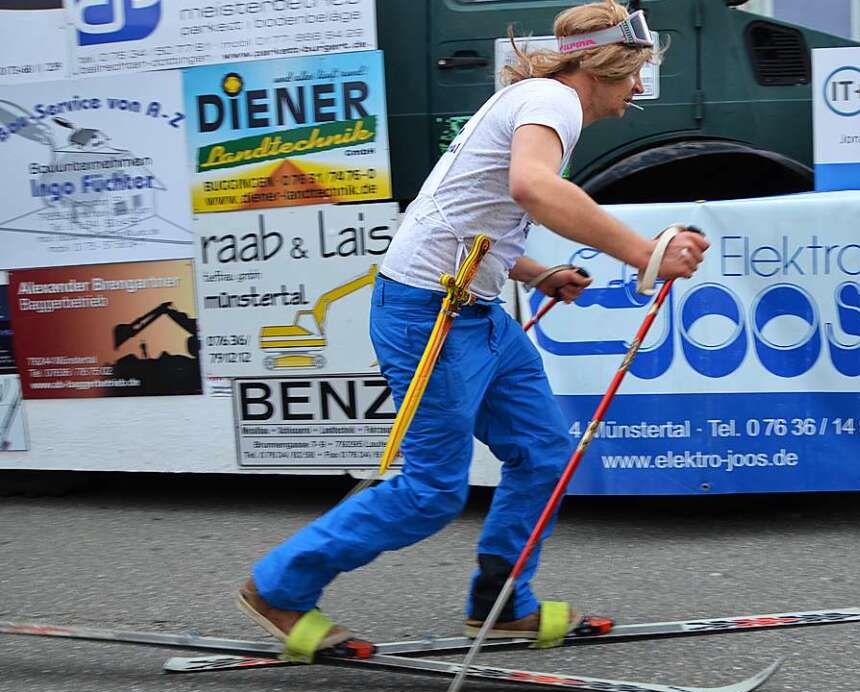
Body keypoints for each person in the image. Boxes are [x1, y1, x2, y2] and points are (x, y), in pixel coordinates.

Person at [238, 0, 709, 658]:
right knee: (431, 492)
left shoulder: (534, 103)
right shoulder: (554, 101)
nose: (639, 89)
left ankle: (502, 605)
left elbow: (464, 218)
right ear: (607, 65)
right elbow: (531, 189)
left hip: (475, 311)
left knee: (543, 453)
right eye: (635, 73)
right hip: (429, 314)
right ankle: (279, 590)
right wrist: (643, 252)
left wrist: (539, 273)